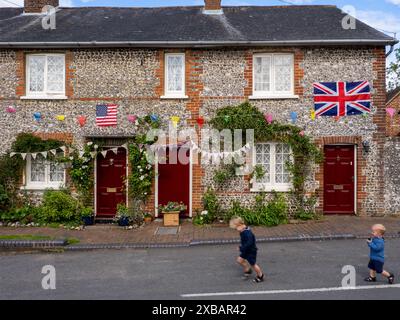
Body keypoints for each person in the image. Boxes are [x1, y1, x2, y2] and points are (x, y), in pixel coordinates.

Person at [229, 217, 264, 283]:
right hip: (246, 250)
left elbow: (249, 243)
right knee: (239, 260)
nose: (236, 230)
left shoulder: (248, 234)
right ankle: (248, 270)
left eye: (236, 228)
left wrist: (241, 248)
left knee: (253, 264)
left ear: (239, 225)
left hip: (251, 251)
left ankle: (260, 276)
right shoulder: (243, 230)